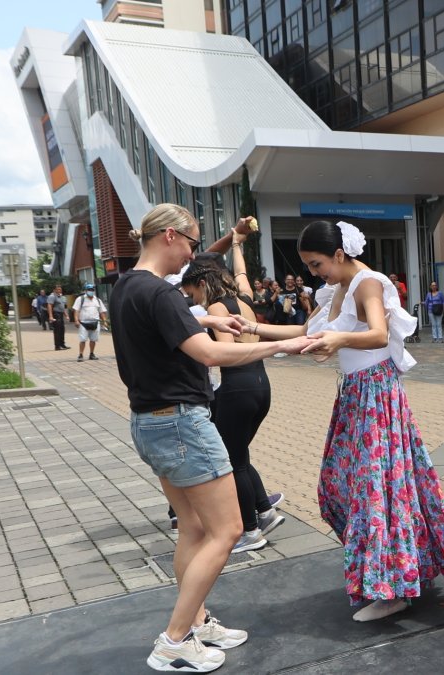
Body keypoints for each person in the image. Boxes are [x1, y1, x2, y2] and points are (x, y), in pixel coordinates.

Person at [110, 203, 312, 672]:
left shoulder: (127, 287)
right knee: (229, 530)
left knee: (194, 529)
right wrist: (282, 345)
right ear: (170, 237)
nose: (194, 255)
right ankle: (175, 639)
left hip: (150, 421)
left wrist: (206, 319)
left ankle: (195, 623)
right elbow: (208, 356)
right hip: (182, 423)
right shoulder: (160, 293)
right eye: (193, 243)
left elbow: (164, 329)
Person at [252, 220, 444, 622]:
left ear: (339, 255)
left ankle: (390, 587)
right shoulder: (336, 289)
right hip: (357, 395)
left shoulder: (368, 283)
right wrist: (252, 328)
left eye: (316, 263)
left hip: (376, 393)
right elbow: (305, 331)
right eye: (309, 265)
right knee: (342, 485)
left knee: (375, 492)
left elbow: (378, 334)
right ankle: (402, 568)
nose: (312, 272)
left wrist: (338, 340)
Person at [179, 230, 287, 555]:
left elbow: (224, 351)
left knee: (232, 462)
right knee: (240, 454)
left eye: (193, 293)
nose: (195, 301)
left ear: (202, 284)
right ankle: (265, 511)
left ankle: (250, 531)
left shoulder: (215, 307)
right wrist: (237, 244)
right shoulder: (243, 297)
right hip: (260, 386)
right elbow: (241, 273)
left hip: (236, 388)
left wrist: (198, 338)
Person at [72, 283, 108, 362]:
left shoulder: (97, 300)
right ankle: (80, 355)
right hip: (83, 323)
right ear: (86, 290)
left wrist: (104, 321)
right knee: (82, 339)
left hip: (95, 322)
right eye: (89, 290)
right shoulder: (80, 299)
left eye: (92, 290)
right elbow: (76, 310)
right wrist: (76, 320)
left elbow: (101, 312)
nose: (90, 291)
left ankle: (92, 354)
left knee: (93, 339)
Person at [46, 284, 68, 351]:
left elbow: (62, 307)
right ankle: (57, 346)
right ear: (54, 290)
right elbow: (49, 306)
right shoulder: (52, 296)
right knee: (57, 330)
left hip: (60, 314)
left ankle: (62, 344)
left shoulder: (61, 297)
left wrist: (66, 315)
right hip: (55, 314)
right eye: (58, 289)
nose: (59, 290)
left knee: (62, 329)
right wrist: (50, 316)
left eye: (60, 289)